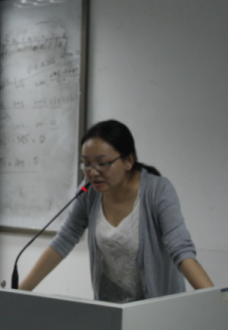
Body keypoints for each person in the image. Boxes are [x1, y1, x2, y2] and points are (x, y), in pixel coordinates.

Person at [19, 119, 215, 303]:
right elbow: (64, 239)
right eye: (86, 164)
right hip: (112, 310)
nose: (93, 172)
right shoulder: (89, 192)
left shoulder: (157, 191)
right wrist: (20, 292)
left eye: (102, 163)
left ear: (128, 161)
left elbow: (181, 250)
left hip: (157, 311)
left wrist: (217, 302)